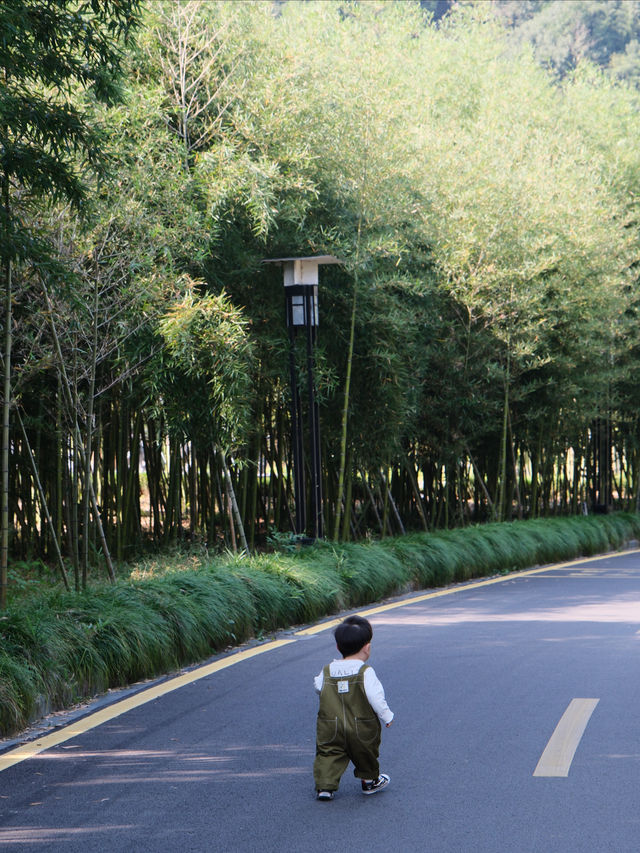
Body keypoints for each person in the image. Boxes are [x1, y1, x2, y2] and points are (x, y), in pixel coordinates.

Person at [313, 614, 394, 801]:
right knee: (365, 752)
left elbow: (319, 687)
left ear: (338, 647)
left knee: (328, 752)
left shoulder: (327, 670)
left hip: (330, 725)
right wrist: (387, 716)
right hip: (361, 725)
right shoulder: (365, 672)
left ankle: (325, 787)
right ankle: (369, 781)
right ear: (367, 647)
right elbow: (376, 697)